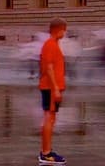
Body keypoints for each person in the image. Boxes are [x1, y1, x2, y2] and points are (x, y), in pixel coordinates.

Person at [36, 18, 69, 165]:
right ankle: (46, 153)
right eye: (64, 29)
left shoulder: (53, 44)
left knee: (51, 118)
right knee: (49, 118)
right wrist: (55, 88)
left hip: (51, 87)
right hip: (50, 87)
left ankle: (47, 150)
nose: (65, 32)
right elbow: (48, 68)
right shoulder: (50, 45)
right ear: (59, 30)